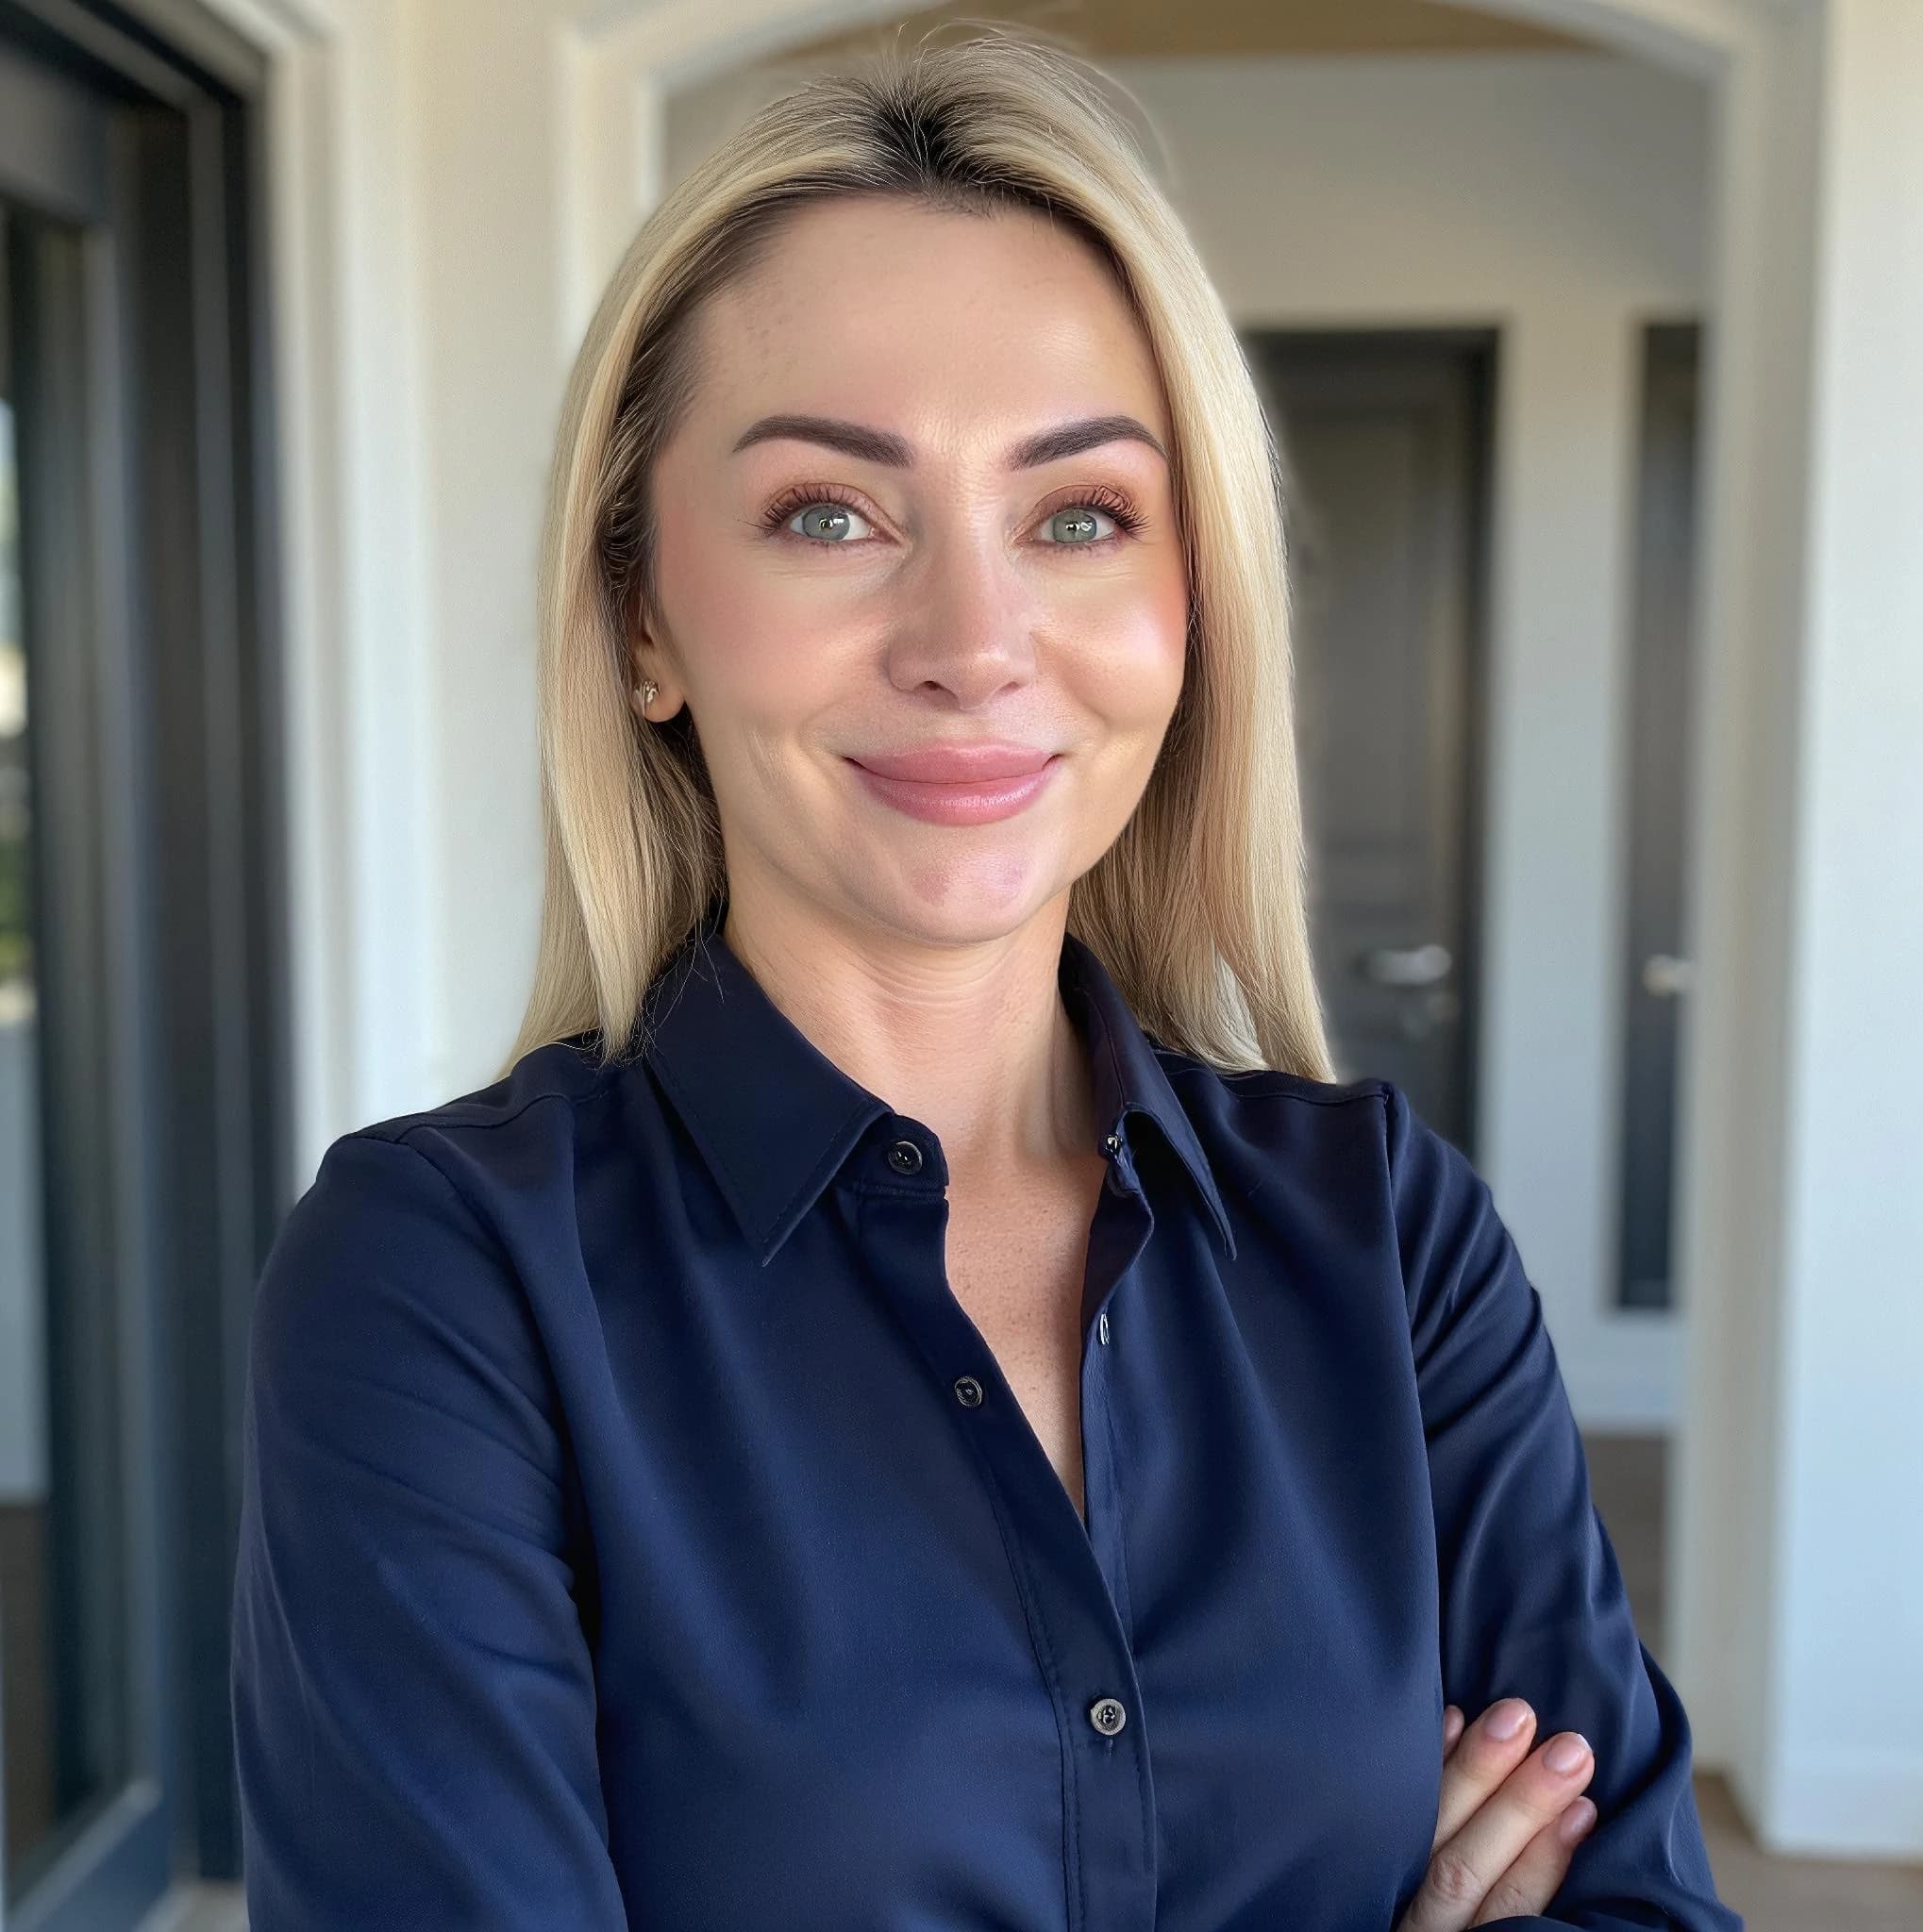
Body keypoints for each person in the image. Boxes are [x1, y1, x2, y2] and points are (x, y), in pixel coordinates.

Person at [228, 30, 1741, 1932]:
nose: (974, 641)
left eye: (1078, 515)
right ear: (640, 621)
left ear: (1190, 605)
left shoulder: (1381, 1228)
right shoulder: (444, 1280)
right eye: (831, 515)